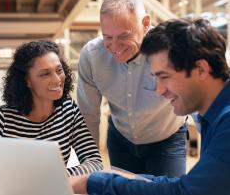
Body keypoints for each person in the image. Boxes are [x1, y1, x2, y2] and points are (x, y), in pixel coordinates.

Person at [71, 17, 230, 195]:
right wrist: (117, 178)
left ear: (201, 69)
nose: (159, 91)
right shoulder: (214, 118)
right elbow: (194, 184)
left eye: (164, 77)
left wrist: (95, 183)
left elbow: (187, 191)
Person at [0, 41, 103, 188]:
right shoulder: (2, 118)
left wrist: (52, 178)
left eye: (59, 70)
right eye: (45, 74)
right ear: (27, 81)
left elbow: (95, 163)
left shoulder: (69, 111)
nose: (57, 79)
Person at [77, 0, 186, 177]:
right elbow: (88, 114)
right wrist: (90, 164)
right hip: (121, 140)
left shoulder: (171, 49)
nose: (115, 46)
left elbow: (197, 102)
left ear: (145, 24)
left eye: (124, 36)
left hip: (167, 140)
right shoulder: (92, 56)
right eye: (107, 37)